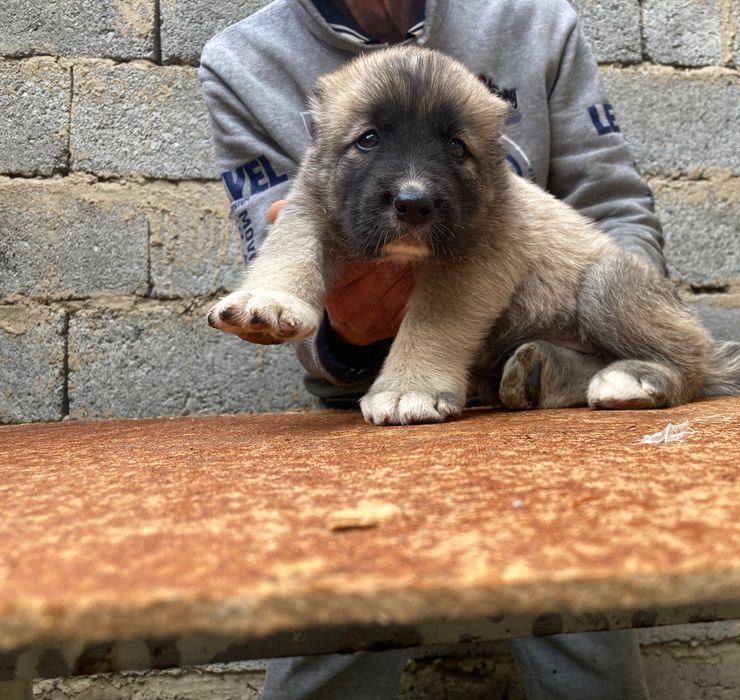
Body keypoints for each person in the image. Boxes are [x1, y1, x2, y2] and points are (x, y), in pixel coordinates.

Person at [200, 0, 662, 697]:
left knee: (585, 635)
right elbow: (288, 239)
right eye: (366, 140)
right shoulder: (243, 61)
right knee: (335, 632)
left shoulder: (537, 22)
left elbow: (613, 205)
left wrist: (623, 316)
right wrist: (344, 335)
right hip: (362, 411)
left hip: (548, 414)